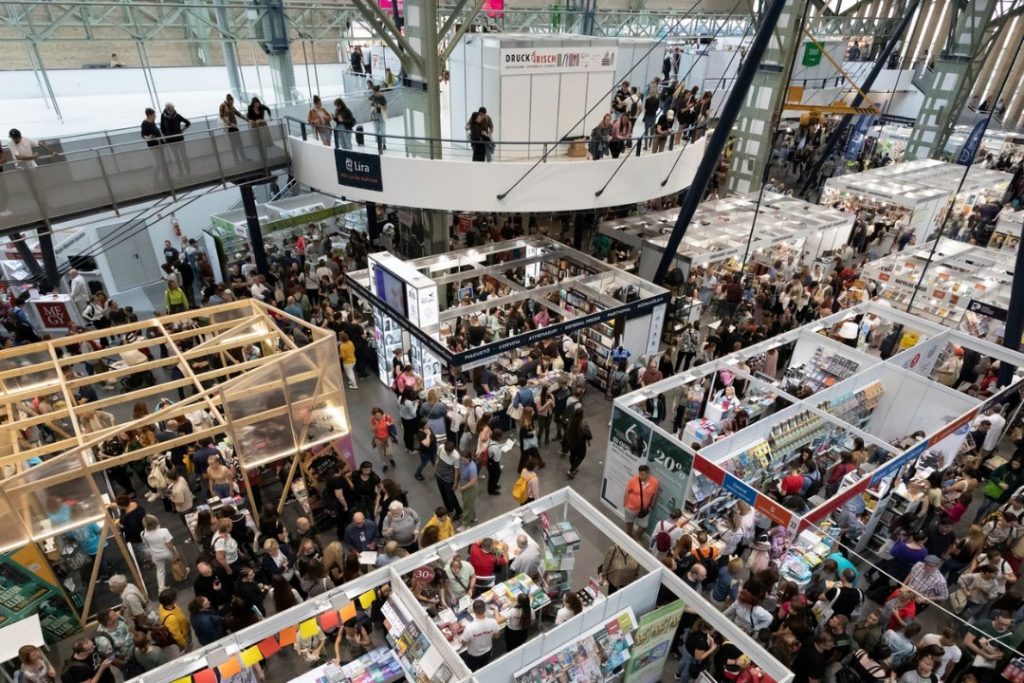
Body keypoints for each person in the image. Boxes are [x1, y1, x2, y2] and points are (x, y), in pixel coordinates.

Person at [140, 514, 179, 592]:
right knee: (177, 561)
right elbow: (169, 545)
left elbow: (146, 544)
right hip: (167, 552)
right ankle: (182, 573)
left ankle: (161, 588)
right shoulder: (164, 531)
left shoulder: (143, 534)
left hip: (155, 554)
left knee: (160, 570)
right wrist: (175, 554)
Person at [459, 599, 500, 671]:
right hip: (487, 651)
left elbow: (463, 643)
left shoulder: (469, 628)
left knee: (471, 670)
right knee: (483, 668)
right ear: (485, 609)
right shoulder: (493, 622)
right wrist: (487, 636)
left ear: (474, 611)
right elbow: (497, 635)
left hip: (473, 655)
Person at [623, 465, 659, 538]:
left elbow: (655, 494)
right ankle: (628, 535)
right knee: (629, 522)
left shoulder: (655, 482)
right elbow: (627, 492)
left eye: (642, 474)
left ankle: (636, 538)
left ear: (648, 473)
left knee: (643, 525)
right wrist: (625, 505)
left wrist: (652, 506)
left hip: (644, 510)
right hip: (631, 508)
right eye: (639, 474)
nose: (640, 476)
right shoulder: (633, 480)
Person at [369, 85, 388, 153]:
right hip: (375, 115)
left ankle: (384, 144)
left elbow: (385, 107)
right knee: (376, 131)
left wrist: (380, 106)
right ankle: (379, 144)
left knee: (382, 131)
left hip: (381, 115)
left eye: (373, 91)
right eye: (373, 91)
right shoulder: (373, 97)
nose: (373, 92)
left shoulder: (382, 97)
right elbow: (369, 99)